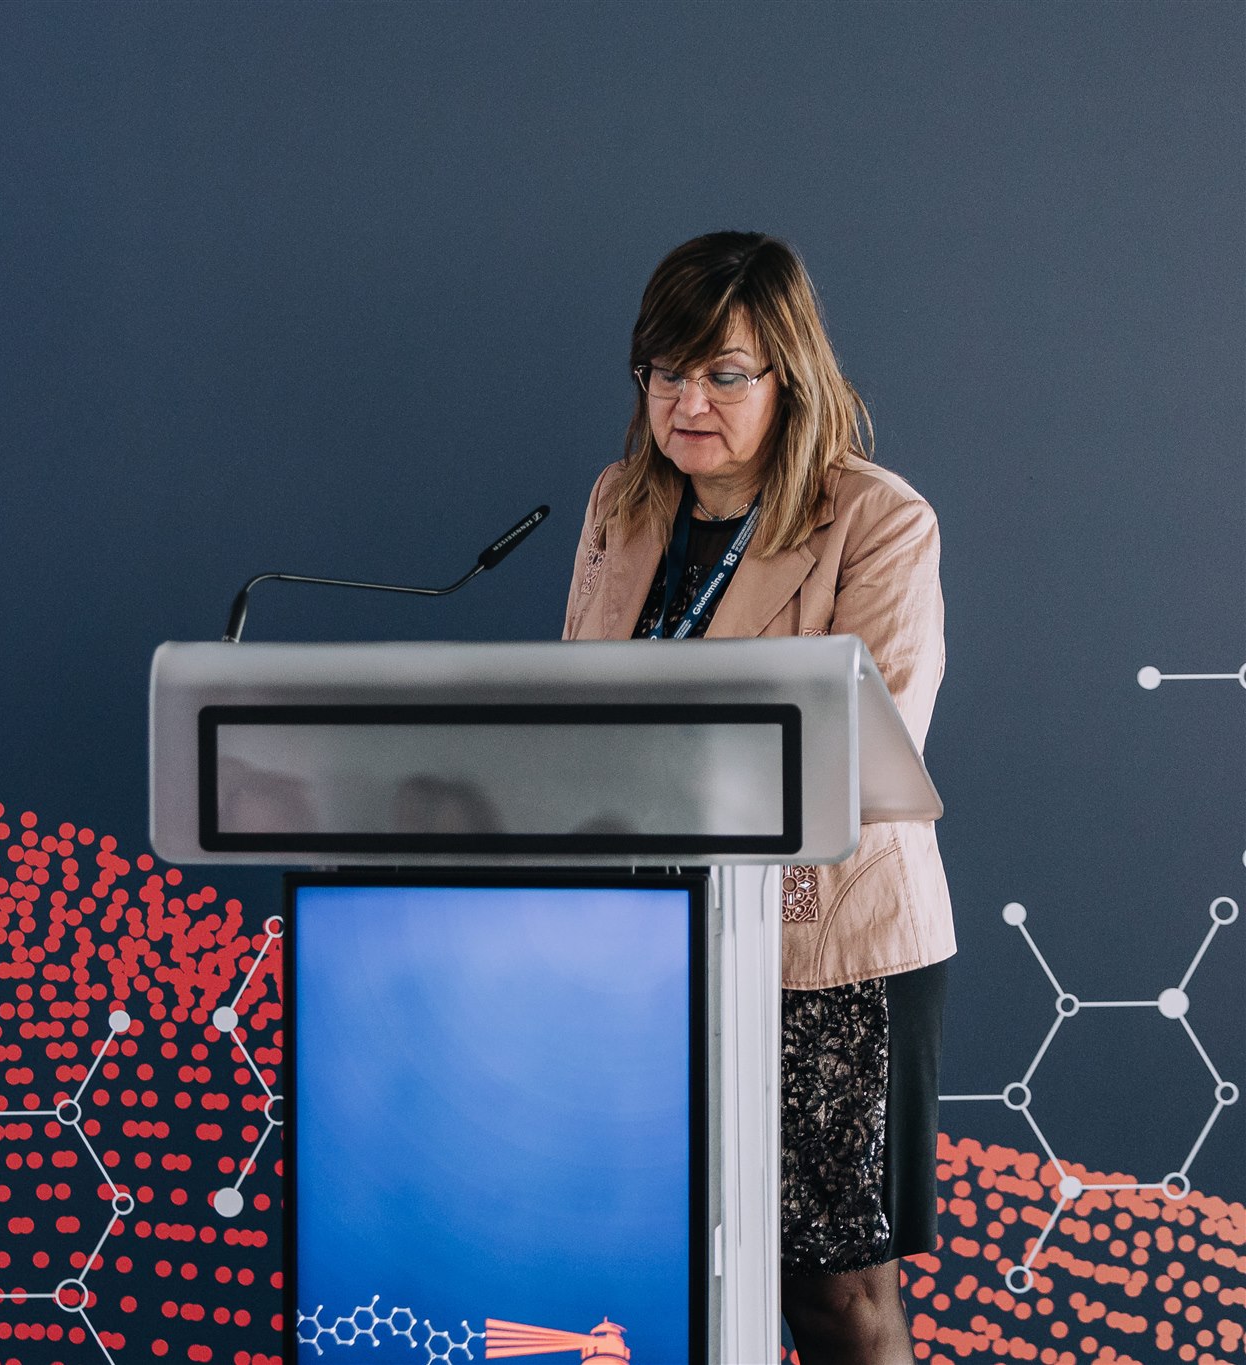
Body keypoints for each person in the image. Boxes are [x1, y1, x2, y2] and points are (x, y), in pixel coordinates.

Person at [562, 231, 955, 1364]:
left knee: (834, 1291)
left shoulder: (878, 519)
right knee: (666, 1264)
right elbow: (574, 702)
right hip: (651, 937)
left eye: (723, 374)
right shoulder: (620, 503)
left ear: (790, 375)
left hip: (825, 951)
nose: (687, 403)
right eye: (664, 372)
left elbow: (870, 755)